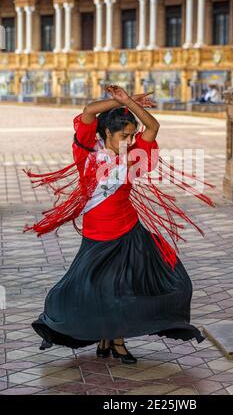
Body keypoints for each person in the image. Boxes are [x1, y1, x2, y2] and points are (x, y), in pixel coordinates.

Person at [22, 85, 216, 365]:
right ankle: (107, 337)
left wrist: (129, 102)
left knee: (155, 284)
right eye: (122, 135)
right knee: (94, 290)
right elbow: (89, 111)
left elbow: (153, 125)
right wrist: (118, 101)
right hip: (97, 235)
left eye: (131, 136)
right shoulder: (86, 152)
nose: (128, 141)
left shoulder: (134, 157)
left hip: (129, 232)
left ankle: (116, 339)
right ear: (106, 134)